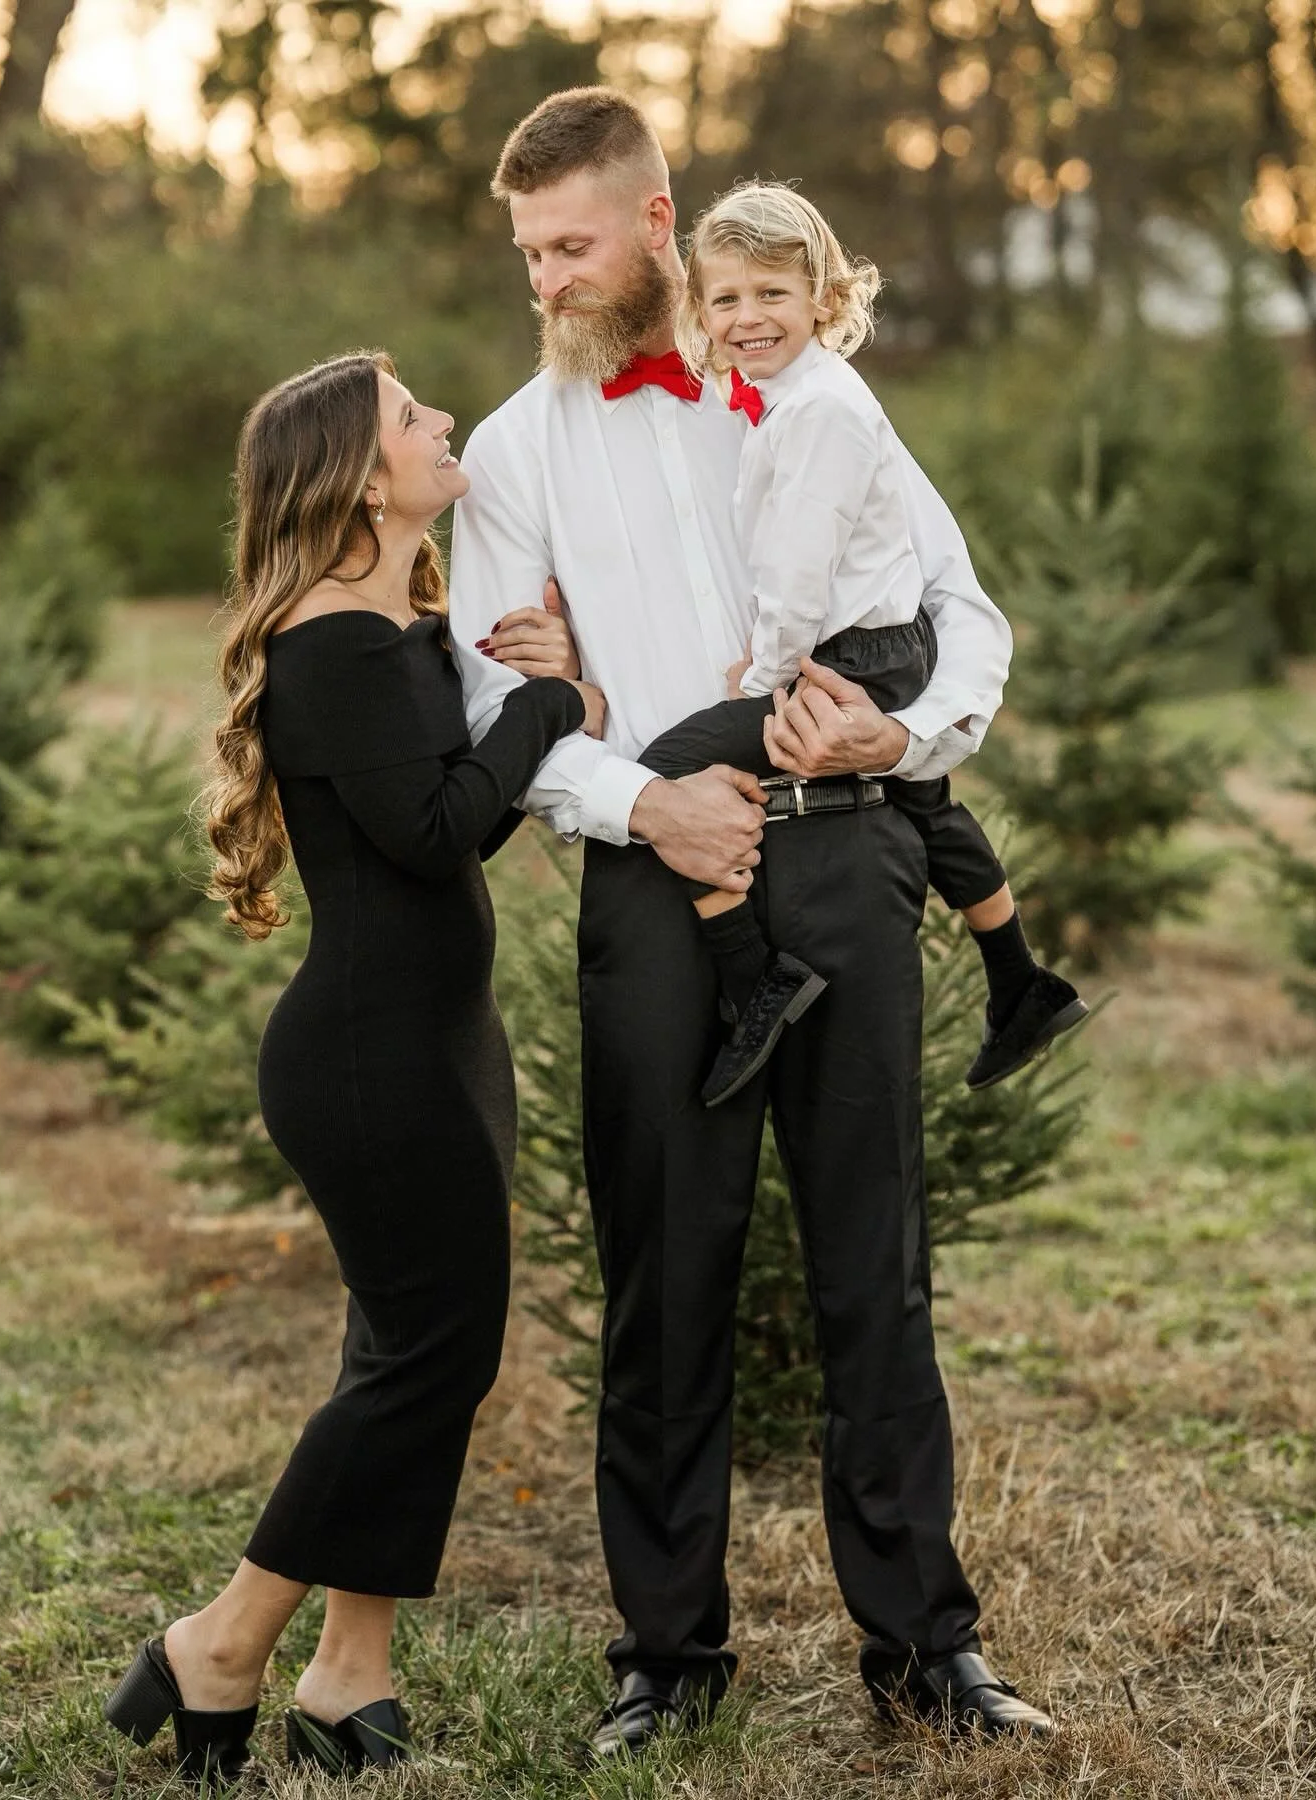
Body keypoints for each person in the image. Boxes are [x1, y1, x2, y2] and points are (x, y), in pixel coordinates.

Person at [452, 87, 1054, 1753]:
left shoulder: (815, 396)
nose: (545, 280)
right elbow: (484, 703)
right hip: (653, 885)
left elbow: (961, 606)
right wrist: (643, 800)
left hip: (851, 859)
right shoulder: (512, 452)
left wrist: (905, 735)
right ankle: (664, 1656)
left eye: (569, 244)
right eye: (527, 252)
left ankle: (928, 1654)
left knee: (877, 1262)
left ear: (657, 224)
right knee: (664, 1267)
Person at [103, 350, 603, 1785]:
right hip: (371, 1064)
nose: (444, 421)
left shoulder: (391, 626)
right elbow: (441, 829)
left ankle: (347, 1670)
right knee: (429, 1357)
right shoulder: (332, 644)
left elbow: (445, 812)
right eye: (411, 416)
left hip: (438, 1042)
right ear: (358, 477)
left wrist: (513, 689)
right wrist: (549, 707)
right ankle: (221, 1642)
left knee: (411, 1357)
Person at [631, 180, 1087, 1108]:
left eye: (772, 294)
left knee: (662, 772)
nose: (747, 317)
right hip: (878, 648)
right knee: (925, 800)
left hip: (848, 659)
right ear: (700, 310)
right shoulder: (790, 398)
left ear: (823, 299)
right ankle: (1019, 980)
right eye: (726, 299)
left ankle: (754, 976)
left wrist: (755, 675)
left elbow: (797, 579)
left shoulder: (819, 411)